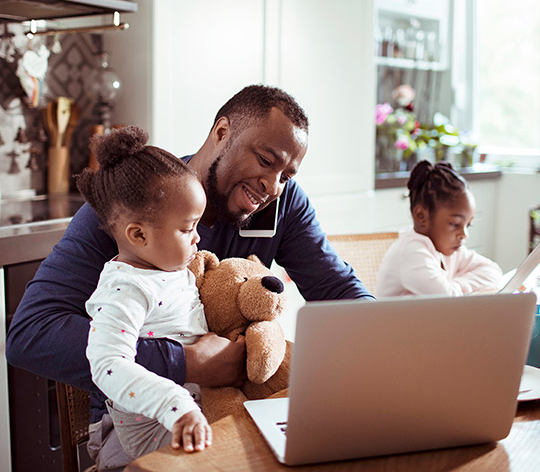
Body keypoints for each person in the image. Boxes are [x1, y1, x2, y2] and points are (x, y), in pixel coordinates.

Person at [6, 84, 374, 470]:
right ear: (221, 133)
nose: (273, 186)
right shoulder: (137, 206)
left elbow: (337, 289)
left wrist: (392, 341)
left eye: (287, 174)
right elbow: (32, 334)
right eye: (266, 160)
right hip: (146, 427)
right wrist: (184, 362)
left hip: (235, 411)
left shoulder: (283, 204)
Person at [79, 126, 211, 460]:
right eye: (187, 228)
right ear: (138, 235)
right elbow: (108, 364)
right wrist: (175, 405)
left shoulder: (167, 269)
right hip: (156, 429)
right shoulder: (125, 289)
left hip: (195, 411)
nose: (197, 238)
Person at [376, 160, 503, 298]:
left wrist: (456, 285)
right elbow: (447, 298)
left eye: (468, 225)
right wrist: (459, 287)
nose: (464, 234)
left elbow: (493, 271)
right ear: (421, 216)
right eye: (455, 224)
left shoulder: (450, 250)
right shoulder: (411, 251)